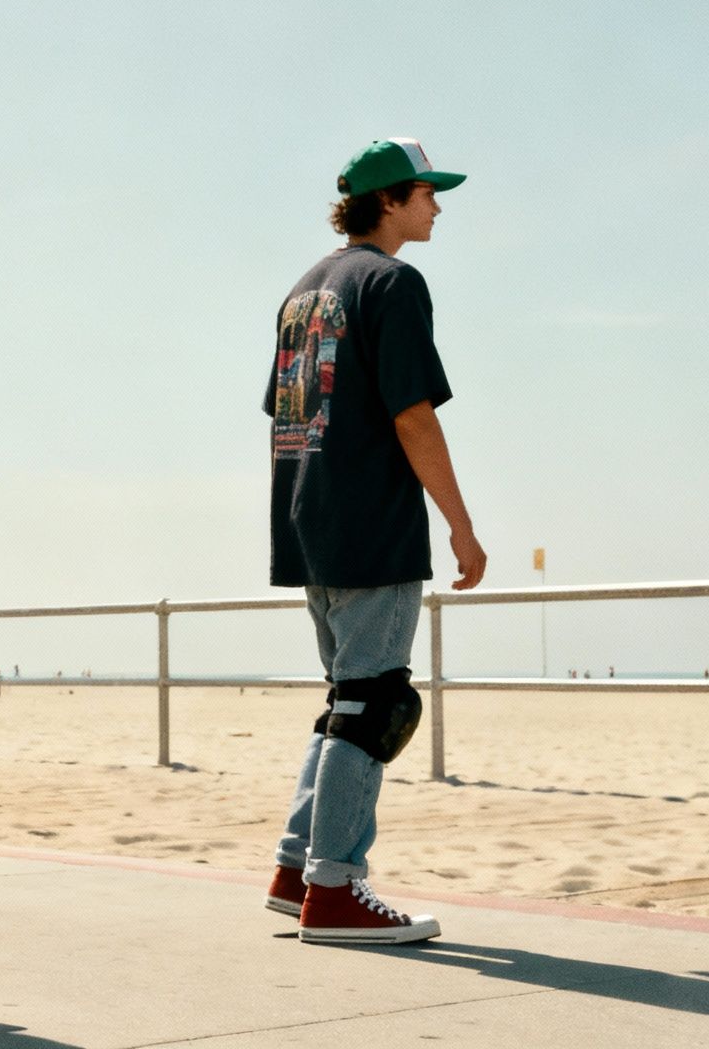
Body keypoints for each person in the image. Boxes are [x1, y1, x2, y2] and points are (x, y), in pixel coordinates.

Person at [262, 139, 486, 944]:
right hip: (371, 522)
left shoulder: (302, 293)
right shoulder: (392, 283)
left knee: (347, 705)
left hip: (307, 521)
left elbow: (287, 415)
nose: (436, 206)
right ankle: (336, 890)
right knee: (376, 703)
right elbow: (412, 414)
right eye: (427, 193)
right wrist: (460, 524)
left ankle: (297, 872)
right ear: (389, 200)